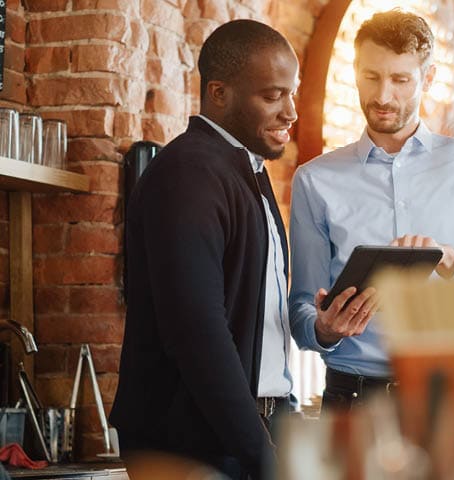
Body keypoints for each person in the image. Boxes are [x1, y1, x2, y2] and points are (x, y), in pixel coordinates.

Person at [288, 10, 454, 412]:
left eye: (401, 80)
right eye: (371, 76)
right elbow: (302, 306)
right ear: (355, 71)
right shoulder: (314, 180)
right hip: (352, 402)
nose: (383, 96)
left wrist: (453, 259)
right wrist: (324, 328)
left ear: (430, 77)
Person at [110, 19, 299, 480]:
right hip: (193, 447)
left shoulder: (242, 170)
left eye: (292, 93)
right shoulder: (190, 173)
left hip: (243, 432)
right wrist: (261, 454)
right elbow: (197, 333)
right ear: (219, 93)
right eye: (272, 96)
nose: (291, 111)